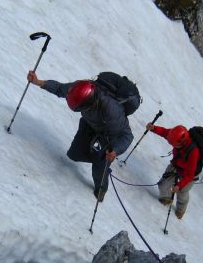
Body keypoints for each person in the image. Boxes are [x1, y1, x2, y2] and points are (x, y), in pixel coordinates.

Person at [27, 71, 133, 201]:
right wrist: (38, 82)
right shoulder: (78, 89)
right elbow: (60, 89)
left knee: (100, 164)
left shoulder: (111, 110)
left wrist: (115, 151)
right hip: (89, 125)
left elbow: (127, 136)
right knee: (74, 154)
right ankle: (95, 155)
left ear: (90, 102)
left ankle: (101, 189)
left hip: (108, 135)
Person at [146, 123, 200, 219]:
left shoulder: (194, 152)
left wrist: (179, 185)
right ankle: (166, 199)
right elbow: (164, 132)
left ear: (182, 143)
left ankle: (180, 211)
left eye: (174, 145)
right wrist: (154, 128)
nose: (173, 146)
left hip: (190, 174)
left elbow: (190, 175)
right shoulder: (175, 135)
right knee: (163, 184)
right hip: (177, 164)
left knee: (182, 192)